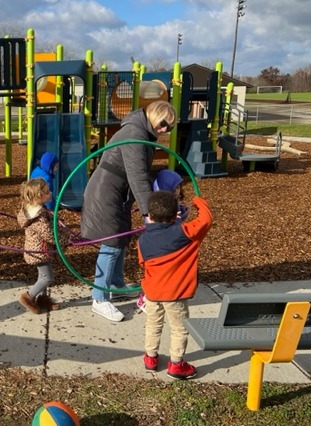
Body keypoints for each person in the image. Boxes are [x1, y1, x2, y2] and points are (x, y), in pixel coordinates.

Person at [80, 100, 177, 322]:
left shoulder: (142, 132)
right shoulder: (135, 133)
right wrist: (149, 212)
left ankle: (115, 284)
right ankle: (99, 298)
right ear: (154, 117)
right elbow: (137, 175)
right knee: (112, 242)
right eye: (163, 124)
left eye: (169, 128)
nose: (164, 130)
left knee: (121, 240)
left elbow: (140, 174)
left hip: (117, 193)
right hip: (106, 193)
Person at [138, 190, 213, 379]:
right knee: (179, 328)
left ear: (150, 217)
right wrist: (198, 201)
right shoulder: (185, 232)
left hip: (152, 292)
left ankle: (150, 357)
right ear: (175, 215)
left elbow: (142, 263)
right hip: (175, 294)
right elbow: (206, 219)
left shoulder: (143, 240)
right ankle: (177, 364)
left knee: (153, 323)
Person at [137, 168, 189, 314]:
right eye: (174, 187)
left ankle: (156, 298)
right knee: (155, 275)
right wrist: (178, 218)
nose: (177, 190)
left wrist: (182, 215)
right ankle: (146, 299)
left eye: (179, 187)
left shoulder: (173, 202)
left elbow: (175, 224)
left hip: (171, 246)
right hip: (159, 249)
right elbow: (156, 224)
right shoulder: (158, 205)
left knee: (167, 276)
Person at [17, 178, 71, 314]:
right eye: (47, 192)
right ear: (37, 197)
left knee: (43, 277)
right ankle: (28, 297)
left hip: (39, 250)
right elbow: (50, 235)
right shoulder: (38, 218)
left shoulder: (36, 210)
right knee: (48, 278)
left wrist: (64, 231)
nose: (50, 193)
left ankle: (43, 299)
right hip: (39, 253)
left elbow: (53, 226)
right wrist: (66, 239)